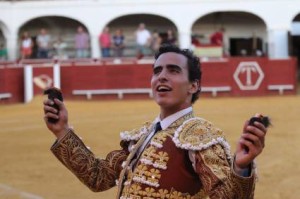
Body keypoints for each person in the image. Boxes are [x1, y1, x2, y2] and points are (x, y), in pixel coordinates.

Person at [43, 44, 267, 199]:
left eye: (173, 70)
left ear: (193, 86)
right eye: (157, 70)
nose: (162, 76)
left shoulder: (199, 135)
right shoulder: (142, 136)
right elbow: (98, 177)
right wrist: (62, 130)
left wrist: (241, 167)